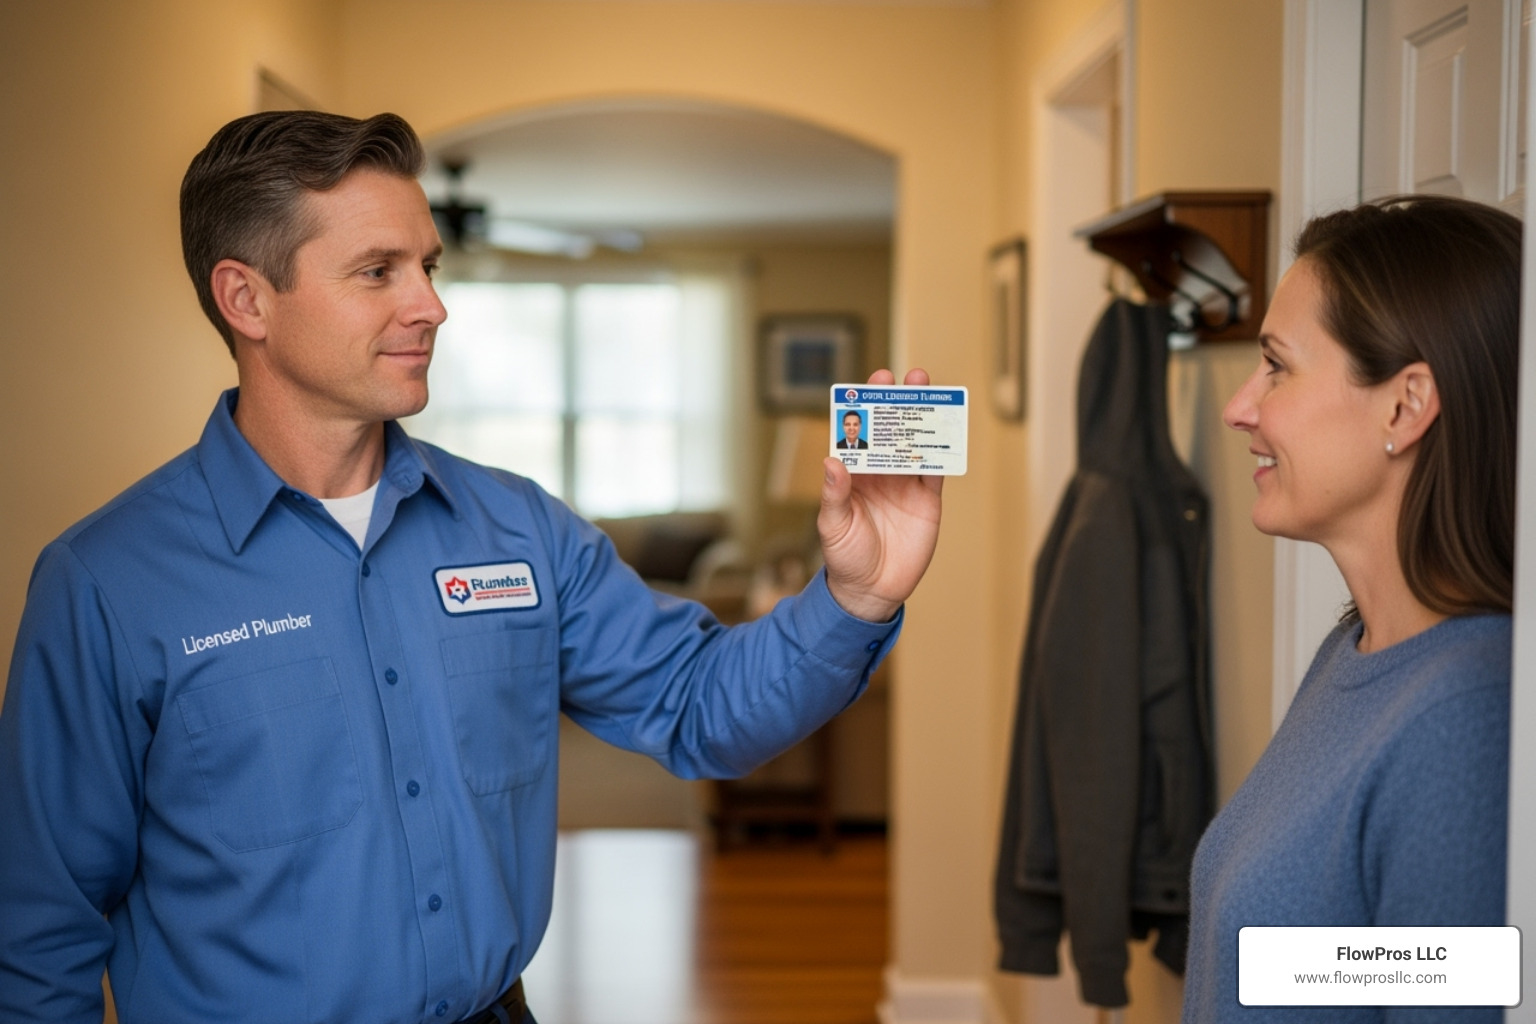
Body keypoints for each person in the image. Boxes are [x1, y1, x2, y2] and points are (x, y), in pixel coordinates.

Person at [0, 110, 944, 1024]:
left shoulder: (518, 529)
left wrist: (857, 595)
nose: (432, 305)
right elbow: (38, 927)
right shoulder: (107, 584)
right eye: (379, 271)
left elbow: (701, 707)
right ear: (246, 298)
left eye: (428, 266)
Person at [1183, 195, 1517, 1022]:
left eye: (1277, 366)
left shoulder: (1467, 713)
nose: (1239, 407)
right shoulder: (1357, 652)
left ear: (1404, 406)